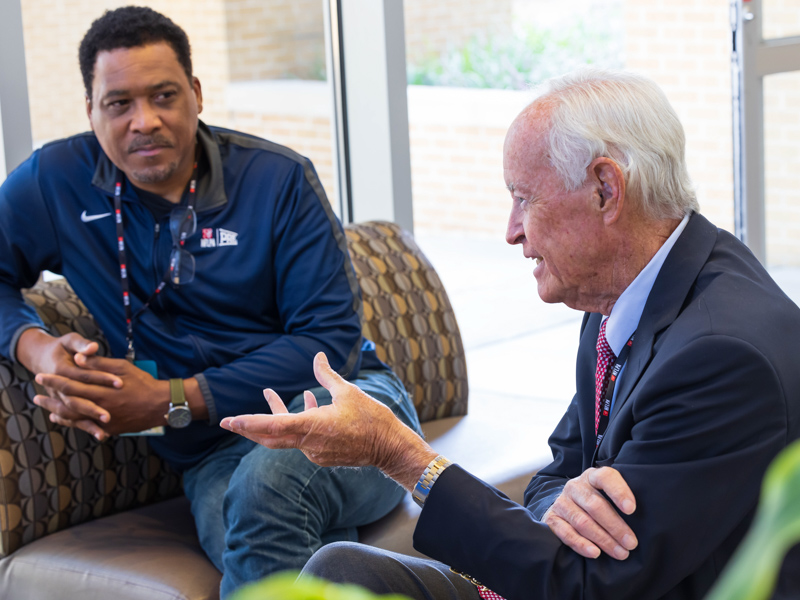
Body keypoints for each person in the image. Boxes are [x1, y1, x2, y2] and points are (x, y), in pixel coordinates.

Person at [221, 68, 800, 600]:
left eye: (524, 198)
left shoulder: (720, 355)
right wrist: (562, 506)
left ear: (606, 189)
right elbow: (557, 473)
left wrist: (400, 455)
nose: (511, 231)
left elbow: (587, 585)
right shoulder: (629, 289)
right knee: (345, 568)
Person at [0, 6, 421, 598]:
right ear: (90, 111)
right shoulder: (55, 182)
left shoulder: (278, 180)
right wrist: (36, 347)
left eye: (164, 95)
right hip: (212, 452)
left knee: (269, 490)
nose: (143, 121)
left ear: (196, 94)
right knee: (258, 527)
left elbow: (328, 343)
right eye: (118, 103)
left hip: (343, 408)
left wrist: (170, 399)